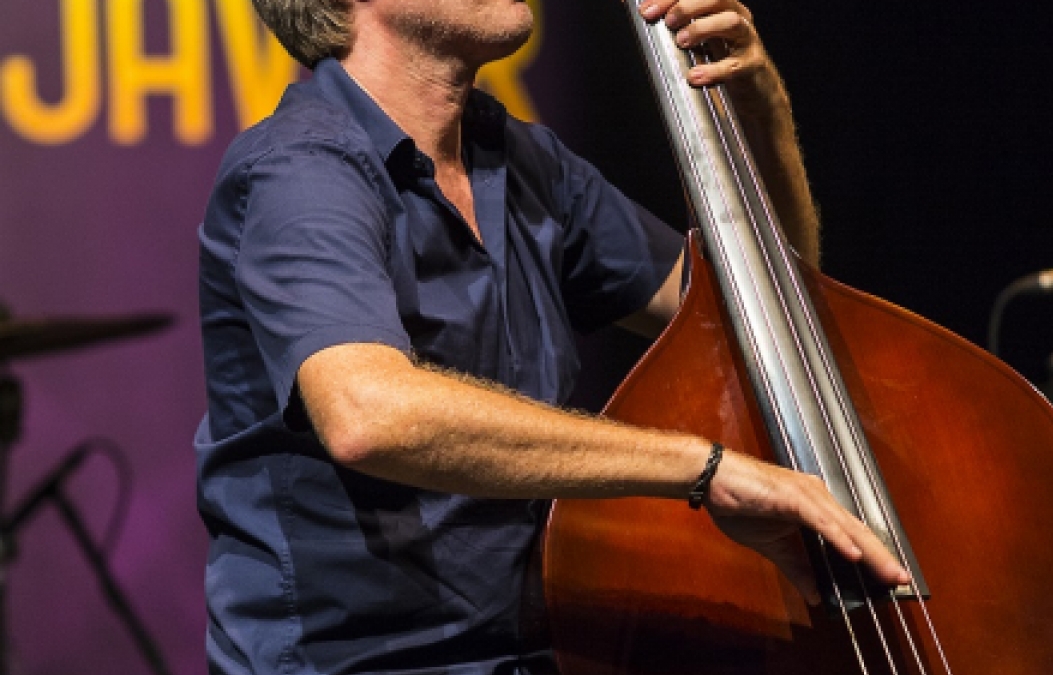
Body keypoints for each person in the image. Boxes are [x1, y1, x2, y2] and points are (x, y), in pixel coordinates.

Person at [195, 1, 910, 674]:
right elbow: (367, 414)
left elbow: (764, 323)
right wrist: (705, 467)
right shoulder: (299, 168)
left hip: (546, 652)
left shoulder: (524, 162)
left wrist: (761, 114)